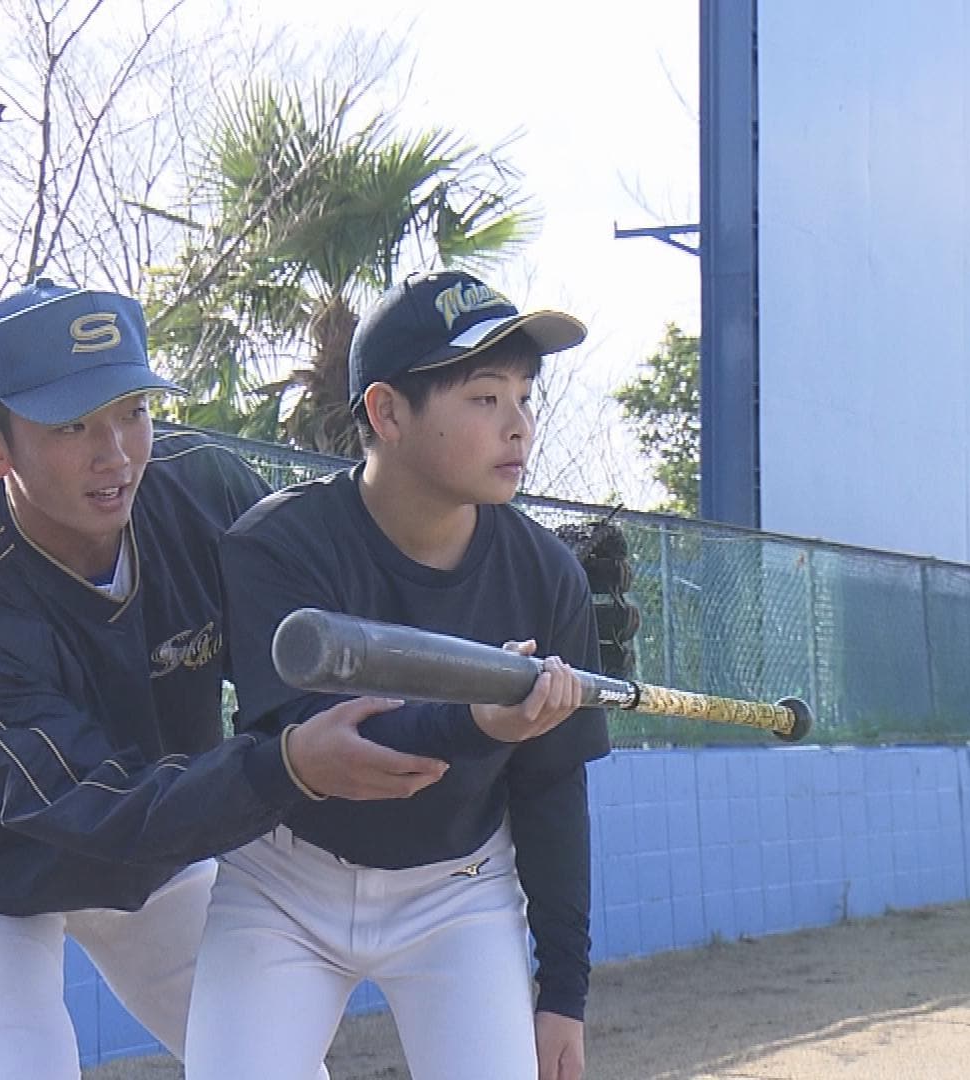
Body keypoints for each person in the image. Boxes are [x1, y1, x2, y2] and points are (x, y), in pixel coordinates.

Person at [0, 280, 448, 1080]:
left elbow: (324, 633)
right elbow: (91, 806)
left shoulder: (202, 487)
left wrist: (485, 601)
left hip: (154, 845)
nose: (114, 454)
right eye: (71, 424)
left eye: (132, 410)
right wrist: (287, 767)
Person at [186, 270, 611, 1080]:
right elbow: (336, 750)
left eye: (525, 397)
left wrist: (563, 991)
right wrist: (482, 717)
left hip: (458, 890)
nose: (518, 425)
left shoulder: (548, 574)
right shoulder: (279, 546)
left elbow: (553, 787)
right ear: (386, 411)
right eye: (485, 399)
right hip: (286, 883)